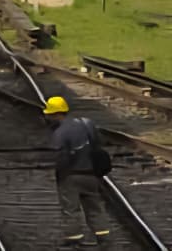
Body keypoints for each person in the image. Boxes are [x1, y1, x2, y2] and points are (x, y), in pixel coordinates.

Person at [44, 96, 111, 247]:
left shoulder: (60, 133)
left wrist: (58, 175)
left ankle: (74, 238)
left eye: (49, 114)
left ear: (55, 114)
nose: (47, 117)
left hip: (71, 177)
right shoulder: (86, 123)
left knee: (71, 209)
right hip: (92, 174)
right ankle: (102, 236)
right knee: (94, 207)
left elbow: (61, 157)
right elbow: (98, 144)